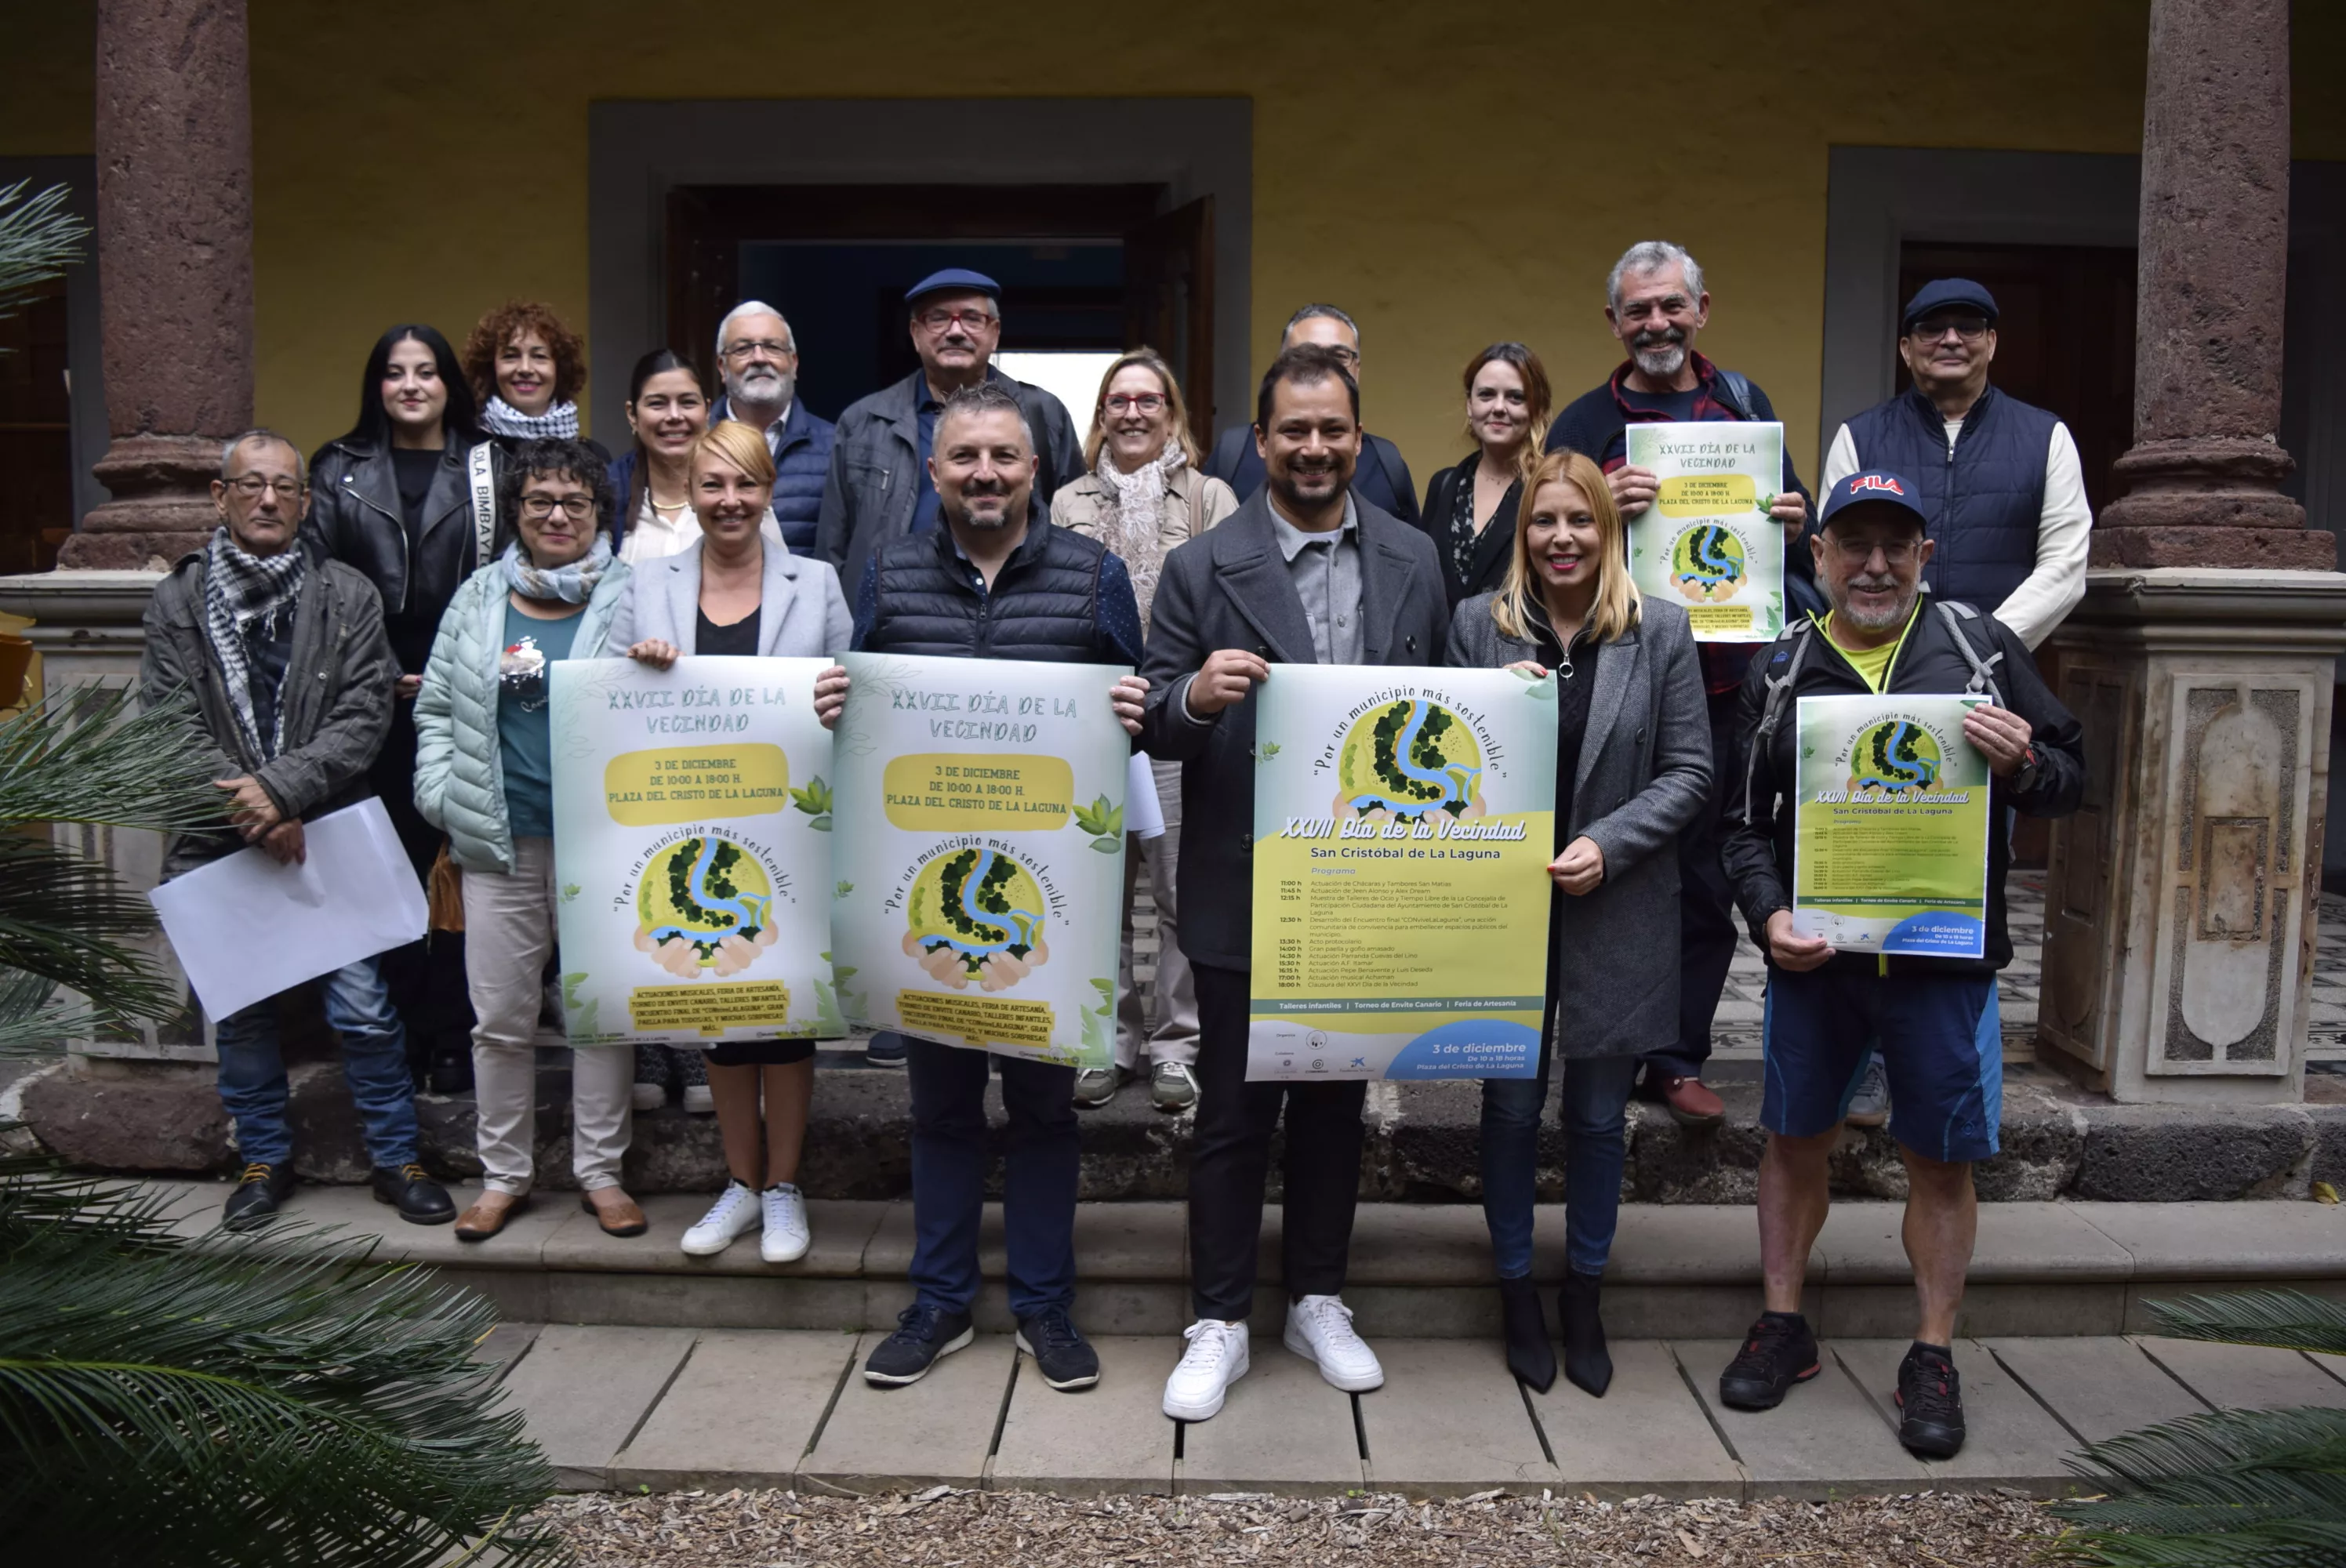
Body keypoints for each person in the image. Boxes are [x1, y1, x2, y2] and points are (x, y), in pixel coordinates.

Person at [1714, 468, 2083, 1459]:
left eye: (1894, 545)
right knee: (1794, 1137)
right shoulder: (1783, 665)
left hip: (1941, 963)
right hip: (1818, 963)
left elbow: (2070, 775)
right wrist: (1768, 915)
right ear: (1820, 553)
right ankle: (1783, 1323)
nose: (1873, 565)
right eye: (1853, 544)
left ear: (1925, 554)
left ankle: (1931, 1349)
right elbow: (1739, 824)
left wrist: (2024, 762)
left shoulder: (1979, 648)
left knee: (1940, 1155)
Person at [1142, 345, 1449, 1422]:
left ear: (1359, 439)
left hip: (1368, 881)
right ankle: (1218, 1318)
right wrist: (1196, 696)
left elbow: (1444, 696)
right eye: (1294, 431)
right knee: (1233, 1114)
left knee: (1333, 1108)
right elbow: (1157, 721)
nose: (1314, 448)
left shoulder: (1414, 556)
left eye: (1333, 430)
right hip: (1245, 878)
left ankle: (1318, 1297)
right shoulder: (1200, 566)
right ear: (1261, 441)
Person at [837, 379, 1147, 1396]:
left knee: (1047, 1110)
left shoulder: (1095, 576)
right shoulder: (886, 574)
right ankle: (939, 1302)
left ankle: (1044, 1306)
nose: (984, 474)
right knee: (941, 1107)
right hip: (928, 889)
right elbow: (862, 723)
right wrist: (836, 702)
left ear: (1034, 469)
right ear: (933, 471)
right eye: (964, 457)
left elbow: (1135, 717)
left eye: (1003, 457)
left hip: (1046, 899)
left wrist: (1137, 708)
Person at [141, 430, 456, 1231]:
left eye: (284, 486)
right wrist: (254, 812)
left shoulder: (346, 593)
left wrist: (280, 794)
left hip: (327, 833)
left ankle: (396, 1158)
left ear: (306, 502)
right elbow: (168, 725)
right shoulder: (178, 600)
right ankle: (262, 1159)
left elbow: (365, 714)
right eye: (251, 484)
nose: (269, 499)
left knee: (364, 1010)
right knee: (244, 1014)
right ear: (221, 497)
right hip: (218, 839)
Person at [1444, 450, 1709, 1396]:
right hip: (1502, 908)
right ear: (1523, 534)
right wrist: (1489, 706)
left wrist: (1609, 841)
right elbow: (1439, 753)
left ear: (1610, 529)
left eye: (1581, 520)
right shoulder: (1477, 626)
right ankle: (1516, 1287)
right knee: (1510, 1108)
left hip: (1618, 904)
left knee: (1597, 1116)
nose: (1563, 538)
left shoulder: (1660, 629)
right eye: (1544, 521)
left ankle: (1584, 1290)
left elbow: (1690, 769)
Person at [1544, 241, 1815, 1131]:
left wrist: (1793, 516)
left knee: (1705, 878)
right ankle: (1604, 1046)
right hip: (1621, 683)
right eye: (1638, 310)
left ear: (1701, 309)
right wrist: (1595, 503)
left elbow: (1798, 522)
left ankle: (1676, 1057)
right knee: (1615, 868)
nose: (1655, 324)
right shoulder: (1586, 421)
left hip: (1729, 688)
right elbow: (1542, 532)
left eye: (1670, 306)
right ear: (1613, 321)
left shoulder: (1744, 406)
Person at [1821, 280, 2094, 1130]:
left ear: (1991, 342)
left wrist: (1971, 645)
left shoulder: (2044, 436)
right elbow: (1834, 550)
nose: (1950, 339)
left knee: (1971, 869)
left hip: (1983, 690)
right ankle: (1867, 1060)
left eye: (1968, 326)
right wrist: (1906, 643)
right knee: (1865, 862)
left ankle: (1945, 1062)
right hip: (1870, 685)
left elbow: (2066, 562)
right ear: (1905, 346)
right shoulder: (1860, 434)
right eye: (1930, 327)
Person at [608, 420, 853, 1263]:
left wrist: (835, 702)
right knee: (716, 1002)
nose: (729, 500)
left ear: (769, 489)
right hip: (688, 825)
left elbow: (853, 695)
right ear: (690, 491)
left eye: (746, 483)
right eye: (712, 484)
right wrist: (637, 664)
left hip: (788, 827)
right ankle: (740, 1184)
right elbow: (609, 698)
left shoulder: (815, 582)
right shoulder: (646, 582)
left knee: (783, 1011)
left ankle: (783, 1187)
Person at [412, 437, 641, 1242]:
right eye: (540, 500)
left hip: (600, 844)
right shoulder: (479, 597)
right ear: (516, 511)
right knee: (499, 1020)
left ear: (599, 513)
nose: (556, 515)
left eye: (575, 502)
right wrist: (442, 798)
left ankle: (601, 1173)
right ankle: (503, 1177)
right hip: (497, 841)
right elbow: (435, 707)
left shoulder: (632, 596)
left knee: (599, 1014)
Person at [307, 325, 507, 1094]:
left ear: (450, 383)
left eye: (427, 371)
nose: (412, 385)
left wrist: (455, 667)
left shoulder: (492, 464)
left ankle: (453, 1033)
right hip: (368, 689)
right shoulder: (337, 467)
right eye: (396, 373)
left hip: (467, 682)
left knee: (459, 867)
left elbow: (509, 579)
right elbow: (319, 584)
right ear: (378, 386)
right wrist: (379, 667)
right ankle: (398, 1033)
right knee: (384, 865)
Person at [1051, 348, 1237, 1113]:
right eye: (1118, 401)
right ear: (1101, 415)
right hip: (1091, 727)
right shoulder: (1066, 499)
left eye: (1148, 400)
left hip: (1170, 722)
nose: (1132, 412)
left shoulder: (1209, 496)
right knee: (1097, 892)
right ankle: (1107, 1042)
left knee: (1175, 891)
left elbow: (1224, 603)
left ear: (1172, 414)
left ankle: (1176, 1048)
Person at [816, 268, 1085, 596]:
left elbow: (1075, 525)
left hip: (1016, 607)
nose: (956, 331)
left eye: (972, 319)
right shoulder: (864, 422)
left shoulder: (1043, 415)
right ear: (915, 333)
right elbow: (832, 545)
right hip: (892, 610)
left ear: (994, 332)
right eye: (939, 319)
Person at [1204, 304, 1419, 524]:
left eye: (1339, 356)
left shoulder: (1388, 464)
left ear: (1357, 369)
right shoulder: (1234, 453)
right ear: (1261, 441)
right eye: (1306, 356)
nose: (1323, 369)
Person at [1420, 343, 1552, 607]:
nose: (1499, 407)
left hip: (1515, 633)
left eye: (1515, 397)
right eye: (1486, 395)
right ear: (1470, 405)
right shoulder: (1444, 485)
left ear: (1535, 408)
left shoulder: (1548, 488)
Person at [705, 300, 835, 554]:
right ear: (722, 367)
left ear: (794, 363)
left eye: (772, 347)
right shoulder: (697, 442)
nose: (759, 358)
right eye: (743, 349)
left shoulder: (837, 446)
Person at [462, 299, 608, 456]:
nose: (525, 369)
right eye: (510, 356)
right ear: (490, 367)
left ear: (560, 369)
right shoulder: (466, 454)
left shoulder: (594, 456)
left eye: (539, 356)